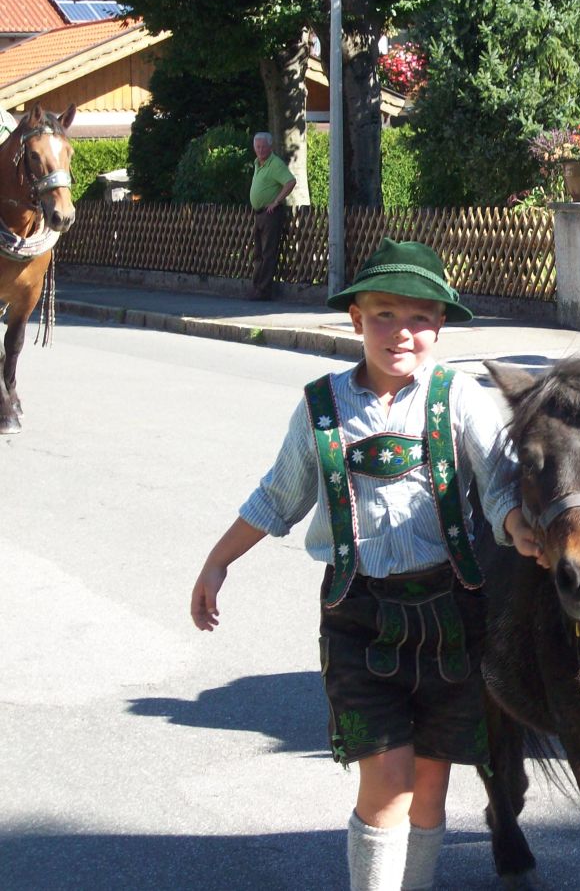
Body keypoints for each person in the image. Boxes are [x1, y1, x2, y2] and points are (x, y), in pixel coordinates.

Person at [189, 239, 541, 891]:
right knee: (387, 780)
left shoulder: (460, 398)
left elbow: (500, 490)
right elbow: (277, 496)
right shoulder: (323, 407)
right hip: (358, 617)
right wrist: (217, 562)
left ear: (440, 325)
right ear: (355, 319)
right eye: (382, 314)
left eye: (418, 318)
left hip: (453, 617)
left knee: (430, 783)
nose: (400, 332)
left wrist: (521, 529)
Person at [249, 131, 297, 301]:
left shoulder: (275, 163)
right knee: (258, 253)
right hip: (259, 213)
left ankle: (263, 291)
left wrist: (276, 201)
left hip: (270, 214)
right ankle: (256, 287)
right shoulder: (257, 163)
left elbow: (290, 181)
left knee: (268, 252)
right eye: (258, 147)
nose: (260, 150)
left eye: (263, 147)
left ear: (270, 147)